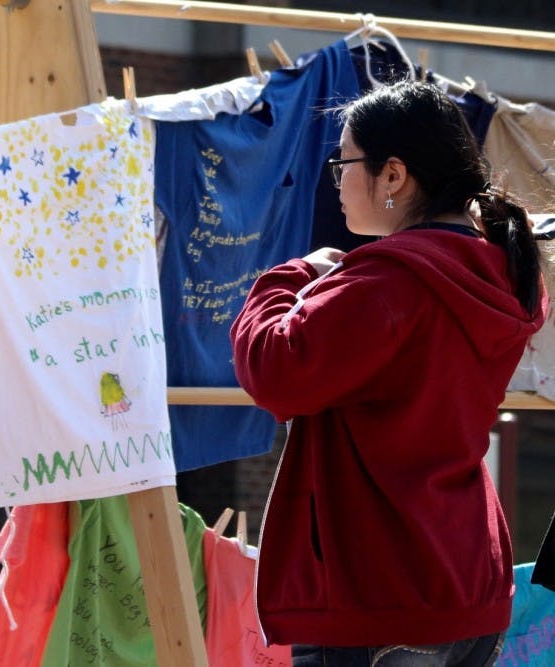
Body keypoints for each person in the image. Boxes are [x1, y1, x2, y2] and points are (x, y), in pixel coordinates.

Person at [230, 80, 545, 666]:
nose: (337, 182)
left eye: (343, 164)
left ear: (394, 174)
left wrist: (288, 279)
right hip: (469, 582)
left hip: (379, 590)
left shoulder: (388, 282)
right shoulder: (498, 272)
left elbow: (272, 368)